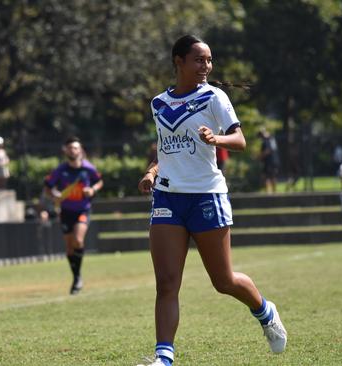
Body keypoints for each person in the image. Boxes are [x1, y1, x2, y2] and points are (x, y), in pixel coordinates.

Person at [136, 35, 287, 366]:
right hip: (168, 197)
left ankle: (264, 310)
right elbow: (166, 150)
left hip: (206, 196)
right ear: (179, 62)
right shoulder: (159, 103)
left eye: (208, 60)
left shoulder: (214, 97)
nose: (206, 66)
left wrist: (215, 138)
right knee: (166, 282)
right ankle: (164, 358)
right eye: (199, 60)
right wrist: (151, 172)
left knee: (223, 281)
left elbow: (240, 139)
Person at [44, 137, 103, 295]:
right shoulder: (60, 170)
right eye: (70, 148)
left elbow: (99, 181)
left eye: (75, 148)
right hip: (66, 212)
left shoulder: (88, 168)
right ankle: (77, 277)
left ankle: (77, 279)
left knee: (78, 240)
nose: (73, 151)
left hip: (83, 210)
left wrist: (93, 190)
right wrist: (54, 195)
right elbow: (48, 188)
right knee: (70, 247)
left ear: (80, 150)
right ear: (65, 150)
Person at [257, 127, 280, 194]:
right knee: (272, 176)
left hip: (269, 162)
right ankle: (273, 192)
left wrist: (260, 156)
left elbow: (268, 150)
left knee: (267, 177)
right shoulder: (272, 138)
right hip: (274, 160)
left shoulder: (266, 140)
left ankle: (268, 193)